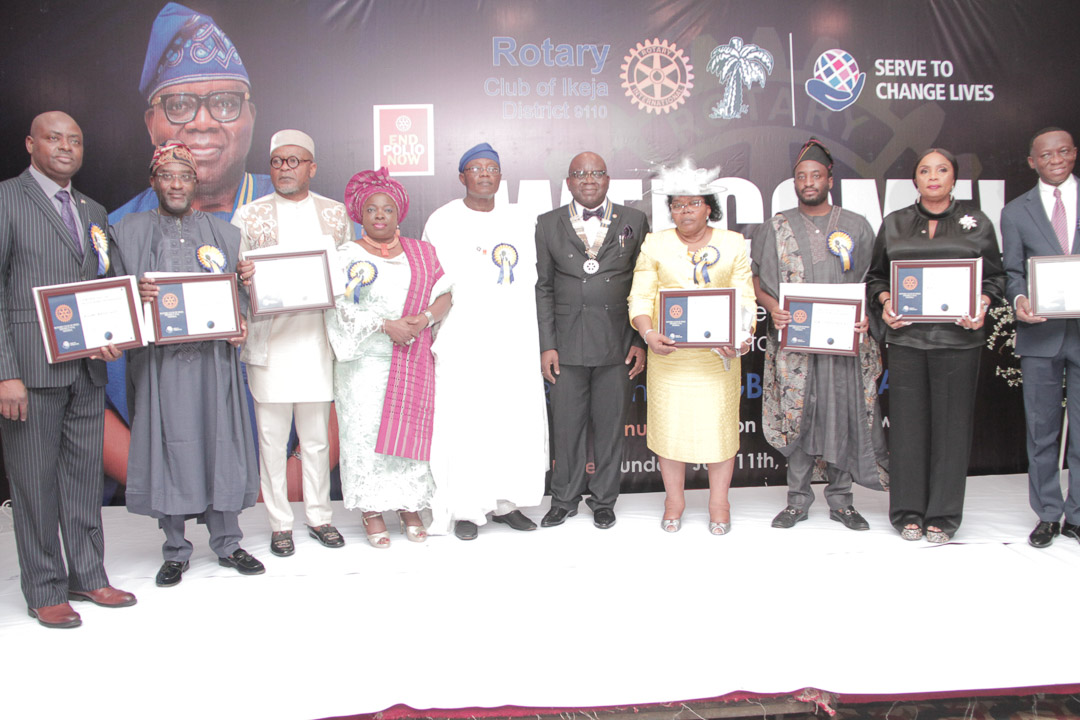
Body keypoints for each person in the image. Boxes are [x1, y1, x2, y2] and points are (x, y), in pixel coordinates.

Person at [0, 111, 135, 628]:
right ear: (30, 143)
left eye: (74, 140)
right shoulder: (7, 199)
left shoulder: (92, 209)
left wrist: (112, 334)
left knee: (82, 481)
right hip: (29, 372)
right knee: (34, 484)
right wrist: (5, 372)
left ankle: (87, 574)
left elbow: (103, 284)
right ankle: (44, 587)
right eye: (53, 138)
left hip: (86, 371)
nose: (65, 147)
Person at [110, 141, 263, 586]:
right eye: (167, 176)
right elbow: (112, 300)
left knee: (220, 442)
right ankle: (175, 549)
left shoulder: (224, 234)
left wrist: (241, 317)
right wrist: (135, 294)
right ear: (153, 181)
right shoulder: (129, 231)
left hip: (213, 363)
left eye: (184, 176)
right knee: (168, 446)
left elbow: (238, 297)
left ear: (196, 182)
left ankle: (228, 543)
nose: (176, 184)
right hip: (160, 367)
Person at [867, 148, 1005, 543]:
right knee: (908, 429)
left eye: (941, 169)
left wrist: (982, 303)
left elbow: (995, 278)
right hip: (907, 340)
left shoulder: (977, 223)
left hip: (958, 341)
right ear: (915, 179)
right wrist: (886, 303)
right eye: (924, 170)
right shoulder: (895, 223)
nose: (933, 176)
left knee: (951, 429)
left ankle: (943, 515)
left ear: (953, 178)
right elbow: (876, 278)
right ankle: (907, 511)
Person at [751, 138, 888, 531]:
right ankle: (797, 500)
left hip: (845, 345)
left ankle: (842, 502)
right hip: (795, 345)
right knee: (800, 417)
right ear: (794, 182)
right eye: (801, 177)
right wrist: (772, 307)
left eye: (815, 175)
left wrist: (866, 319)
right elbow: (757, 279)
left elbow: (873, 283)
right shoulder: (776, 227)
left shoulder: (857, 226)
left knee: (842, 414)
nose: (808, 182)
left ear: (830, 179)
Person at [232, 130, 352, 557]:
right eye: (277, 161)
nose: (285, 168)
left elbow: (349, 274)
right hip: (271, 344)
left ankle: (319, 517)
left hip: (316, 342)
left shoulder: (335, 214)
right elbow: (233, 278)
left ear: (311, 167)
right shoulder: (249, 216)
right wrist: (242, 278)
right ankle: (280, 523)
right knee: (271, 439)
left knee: (316, 440)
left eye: (294, 161)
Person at [423, 143, 548, 540]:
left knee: (511, 420)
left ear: (500, 176)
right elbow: (432, 281)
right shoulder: (443, 220)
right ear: (462, 176)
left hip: (514, 340)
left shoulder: (521, 220)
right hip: (464, 339)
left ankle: (506, 504)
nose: (484, 174)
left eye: (491, 168)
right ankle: (465, 508)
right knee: (466, 423)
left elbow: (537, 280)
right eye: (475, 168)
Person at [628, 160, 756, 534]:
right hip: (670, 359)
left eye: (693, 203)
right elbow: (640, 296)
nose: (685, 211)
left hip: (717, 360)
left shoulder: (732, 243)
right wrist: (648, 334)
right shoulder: (655, 244)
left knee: (719, 431)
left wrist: (742, 337)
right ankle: (674, 501)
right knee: (670, 429)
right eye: (677, 204)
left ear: (709, 207)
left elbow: (745, 298)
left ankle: (719, 503)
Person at [328, 167, 451, 548]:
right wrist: (385, 326)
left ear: (399, 215)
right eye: (371, 209)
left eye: (387, 209)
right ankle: (371, 509)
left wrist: (424, 319)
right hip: (364, 362)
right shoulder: (345, 256)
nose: (379, 215)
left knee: (410, 432)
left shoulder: (423, 253)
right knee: (364, 434)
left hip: (413, 355)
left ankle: (409, 505)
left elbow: (447, 295)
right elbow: (338, 308)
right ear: (359, 215)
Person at [535, 152, 650, 530]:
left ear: (608, 179)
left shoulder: (634, 220)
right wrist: (547, 345)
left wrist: (639, 341)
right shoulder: (547, 223)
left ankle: (604, 500)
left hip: (617, 343)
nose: (589, 180)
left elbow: (644, 284)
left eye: (596, 173)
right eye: (580, 174)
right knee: (566, 427)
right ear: (568, 182)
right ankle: (564, 499)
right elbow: (544, 287)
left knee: (610, 427)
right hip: (566, 345)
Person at [110, 2, 271, 224]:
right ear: (151, 125)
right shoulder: (119, 229)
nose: (203, 123)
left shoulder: (301, 212)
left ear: (251, 118)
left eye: (225, 103)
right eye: (179, 106)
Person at [1001, 127, 1080, 548]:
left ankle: (1077, 514)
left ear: (1074, 153)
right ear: (1032, 161)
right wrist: (1019, 300)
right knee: (1042, 431)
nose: (1056, 159)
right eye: (1046, 154)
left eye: (1063, 151)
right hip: (1040, 333)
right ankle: (1048, 513)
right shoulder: (1016, 212)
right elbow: (1013, 271)